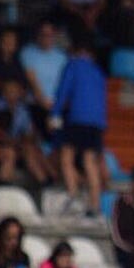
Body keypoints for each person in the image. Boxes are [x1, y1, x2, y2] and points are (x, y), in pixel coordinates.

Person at [50, 33, 107, 219]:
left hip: (77, 118)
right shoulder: (98, 71)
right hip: (97, 123)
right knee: (90, 161)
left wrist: (55, 114)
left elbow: (63, 91)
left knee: (66, 157)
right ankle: (95, 204)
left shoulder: (72, 65)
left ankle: (73, 196)